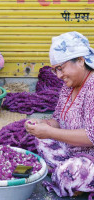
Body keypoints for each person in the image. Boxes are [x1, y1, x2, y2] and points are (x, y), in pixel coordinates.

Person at [25, 31, 94, 197]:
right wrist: (43, 125)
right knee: (40, 140)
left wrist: (50, 132)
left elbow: (91, 137)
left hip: (90, 158)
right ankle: (64, 172)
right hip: (73, 151)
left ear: (80, 60)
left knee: (72, 172)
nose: (58, 75)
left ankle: (66, 174)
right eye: (55, 70)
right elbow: (58, 120)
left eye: (61, 69)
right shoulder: (68, 87)